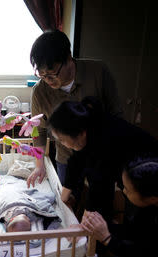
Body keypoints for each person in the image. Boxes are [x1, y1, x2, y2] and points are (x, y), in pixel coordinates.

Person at [48, 96, 158, 222]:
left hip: (151, 174)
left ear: (81, 133)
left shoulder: (105, 139)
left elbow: (99, 185)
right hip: (129, 170)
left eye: (62, 140)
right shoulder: (85, 127)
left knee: (141, 215)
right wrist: (64, 196)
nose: (62, 144)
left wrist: (87, 220)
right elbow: (76, 161)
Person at [27, 29, 123, 189]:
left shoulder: (98, 73)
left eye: (52, 74)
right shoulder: (40, 91)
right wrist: (39, 164)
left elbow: (116, 114)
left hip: (101, 156)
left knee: (99, 204)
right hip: (66, 158)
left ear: (68, 58)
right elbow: (38, 131)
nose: (47, 80)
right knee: (67, 203)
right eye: (41, 75)